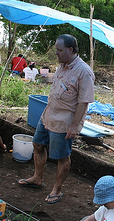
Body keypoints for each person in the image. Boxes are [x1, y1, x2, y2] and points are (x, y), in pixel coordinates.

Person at [18, 34, 95, 204]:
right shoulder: (62, 66)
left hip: (65, 121)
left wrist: (74, 126)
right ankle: (37, 178)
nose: (56, 53)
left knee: (62, 156)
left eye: (59, 50)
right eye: (56, 50)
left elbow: (84, 102)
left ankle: (57, 190)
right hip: (48, 114)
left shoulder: (84, 72)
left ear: (70, 50)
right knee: (37, 144)